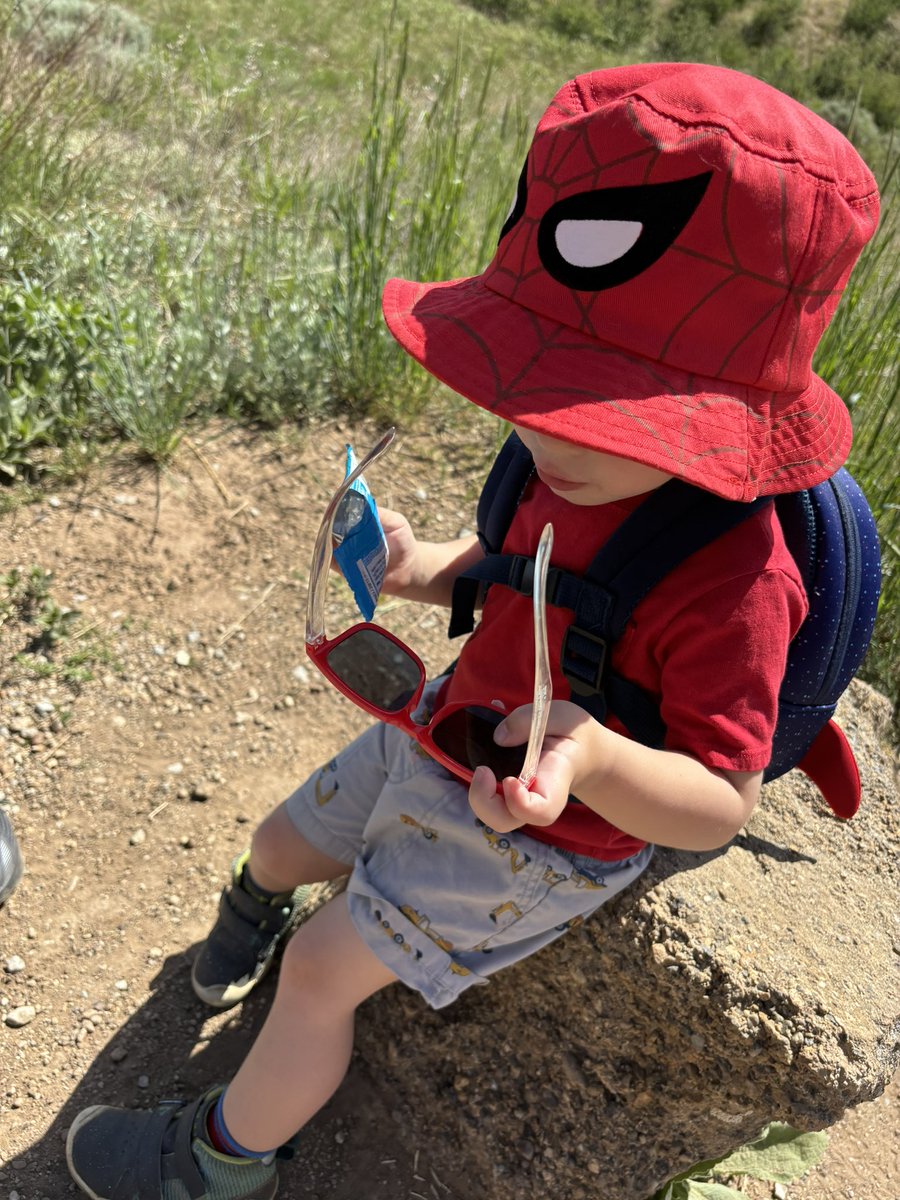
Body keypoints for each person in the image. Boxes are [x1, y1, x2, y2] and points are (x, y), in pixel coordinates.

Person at [65, 61, 879, 1198]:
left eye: (594, 405)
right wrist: (413, 566)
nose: (542, 428)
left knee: (318, 971)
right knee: (282, 839)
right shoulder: (565, 462)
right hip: (447, 726)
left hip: (542, 831)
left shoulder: (731, 577)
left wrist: (590, 755)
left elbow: (719, 798)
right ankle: (249, 905)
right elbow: (507, 573)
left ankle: (220, 1162)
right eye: (536, 391)